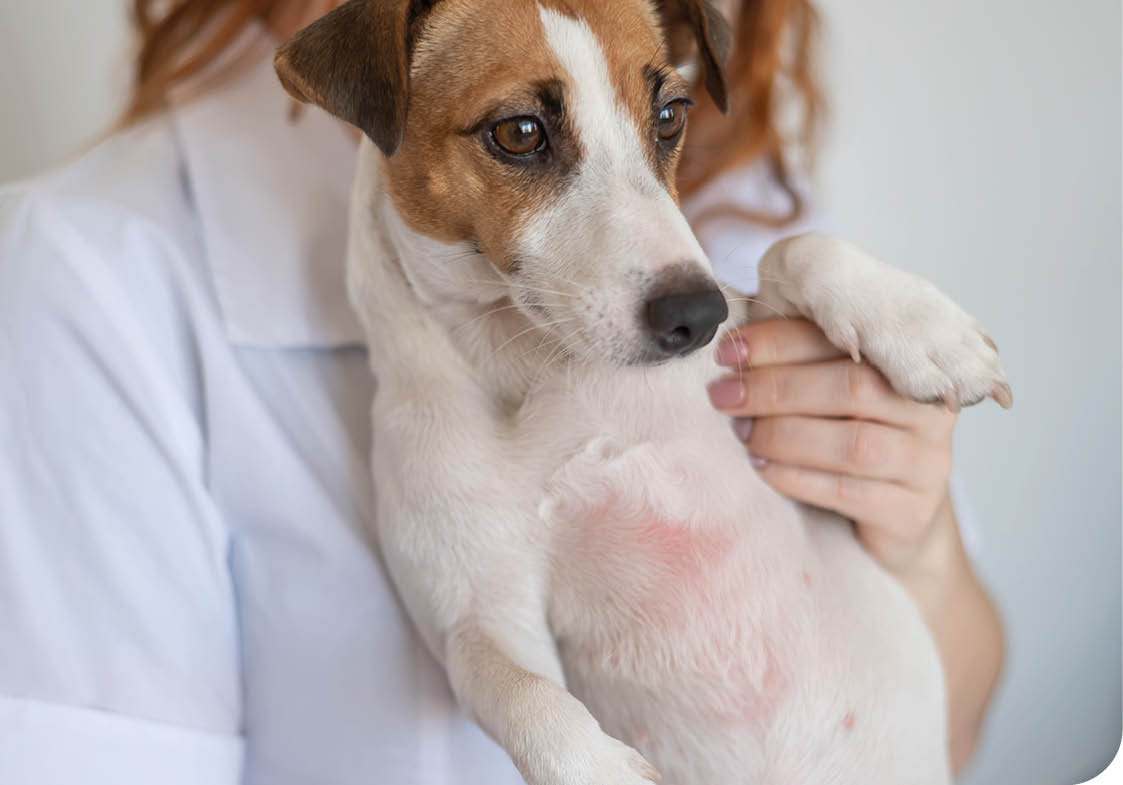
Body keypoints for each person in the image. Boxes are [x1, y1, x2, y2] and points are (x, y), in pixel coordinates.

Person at [0, 1, 1003, 783]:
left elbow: (955, 726)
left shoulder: (728, 204)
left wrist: (920, 548)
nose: (666, 244)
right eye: (523, 138)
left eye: (662, 119)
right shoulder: (81, 277)